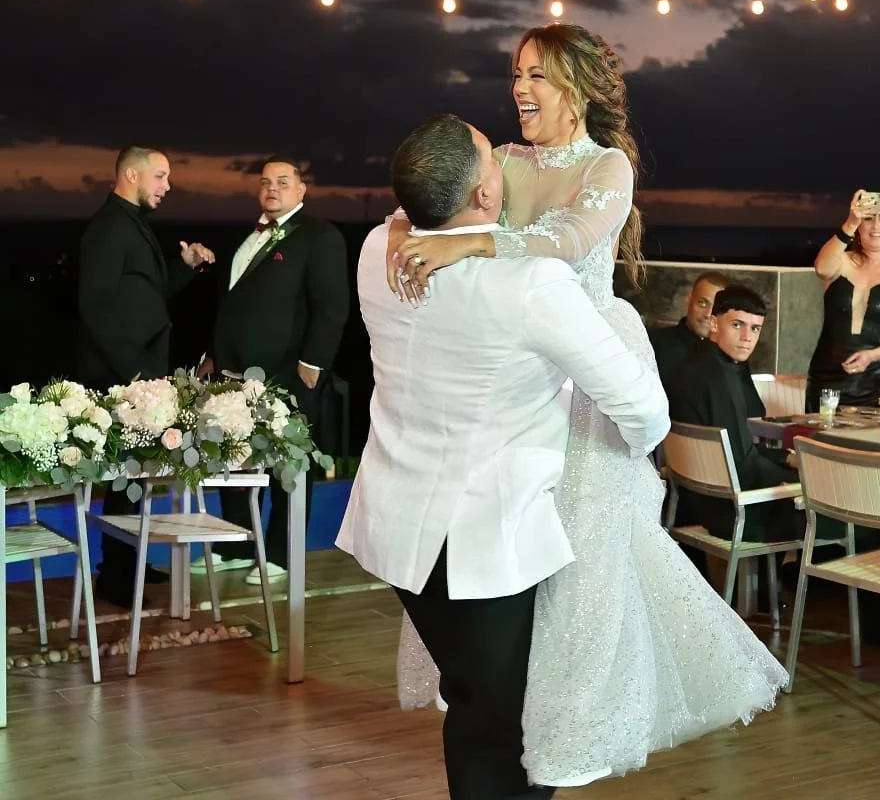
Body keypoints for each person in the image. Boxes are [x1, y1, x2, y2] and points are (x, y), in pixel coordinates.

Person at [382, 24, 787, 787]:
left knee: (574, 577)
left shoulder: (610, 166)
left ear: (579, 87)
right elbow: (438, 204)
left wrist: (468, 247)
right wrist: (410, 229)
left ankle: (554, 747)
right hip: (515, 379)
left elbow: (569, 241)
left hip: (588, 386)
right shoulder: (499, 159)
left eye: (537, 74)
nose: (520, 89)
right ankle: (507, 732)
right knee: (506, 572)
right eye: (516, 73)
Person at [338, 114, 671, 800]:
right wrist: (629, 461)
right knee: (510, 730)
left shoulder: (379, 248)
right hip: (487, 542)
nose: (507, 163)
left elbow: (414, 209)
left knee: (478, 707)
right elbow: (644, 408)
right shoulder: (531, 284)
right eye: (495, 160)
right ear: (486, 200)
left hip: (398, 529)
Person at [76, 146, 215, 608]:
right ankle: (115, 578)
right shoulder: (109, 228)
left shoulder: (130, 224)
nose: (167, 186)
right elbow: (94, 306)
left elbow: (149, 295)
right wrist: (131, 376)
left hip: (139, 379)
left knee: (131, 480)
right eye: (160, 176)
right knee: (121, 479)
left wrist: (186, 266)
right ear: (131, 174)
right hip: (122, 379)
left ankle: (126, 566)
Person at [202, 156, 349, 582]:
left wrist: (313, 363)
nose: (272, 188)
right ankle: (233, 545)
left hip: (287, 374)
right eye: (266, 182)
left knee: (287, 467)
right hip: (232, 376)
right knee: (231, 460)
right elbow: (232, 304)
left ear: (301, 190)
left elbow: (331, 305)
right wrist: (213, 354)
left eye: (283, 182)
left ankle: (281, 555)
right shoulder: (245, 238)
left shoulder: (320, 236)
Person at [666, 285, 802, 542]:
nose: (747, 337)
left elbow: (738, 448)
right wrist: (805, 476)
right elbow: (741, 464)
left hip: (698, 500)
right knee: (848, 514)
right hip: (734, 512)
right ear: (714, 324)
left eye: (755, 328)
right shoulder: (718, 377)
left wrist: (787, 459)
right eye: (737, 325)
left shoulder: (704, 363)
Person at [805, 189, 880, 412]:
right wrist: (849, 223)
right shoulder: (841, 261)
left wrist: (873, 355)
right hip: (829, 377)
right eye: (869, 218)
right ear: (860, 225)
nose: (876, 226)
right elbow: (821, 269)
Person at [649, 271, 728, 384]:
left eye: (716, 307)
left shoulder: (727, 355)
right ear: (688, 299)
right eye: (702, 303)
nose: (708, 314)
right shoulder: (654, 345)